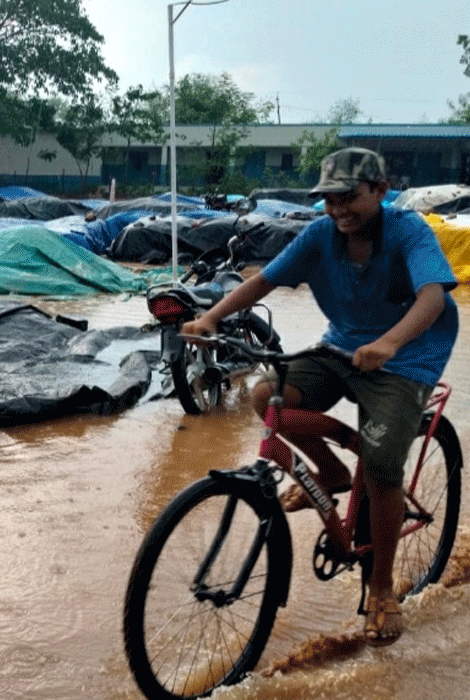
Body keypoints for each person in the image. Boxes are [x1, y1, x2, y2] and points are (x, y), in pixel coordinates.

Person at [181, 146, 459, 647]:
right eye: (328, 199)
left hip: (406, 355)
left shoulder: (408, 231)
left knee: (380, 468)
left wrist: (390, 342)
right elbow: (264, 280)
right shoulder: (319, 235)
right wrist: (211, 318)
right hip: (343, 345)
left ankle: (380, 589)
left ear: (379, 190)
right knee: (270, 399)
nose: (337, 210)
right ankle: (329, 471)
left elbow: (434, 296)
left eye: (348, 197)